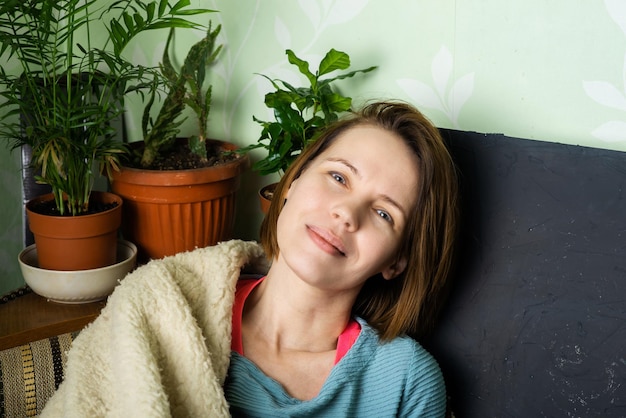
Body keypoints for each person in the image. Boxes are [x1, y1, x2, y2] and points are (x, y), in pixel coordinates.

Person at [225, 101, 459, 417]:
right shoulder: (177, 310)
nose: (347, 213)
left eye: (383, 213)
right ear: (292, 183)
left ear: (397, 261)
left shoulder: (406, 381)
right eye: (338, 177)